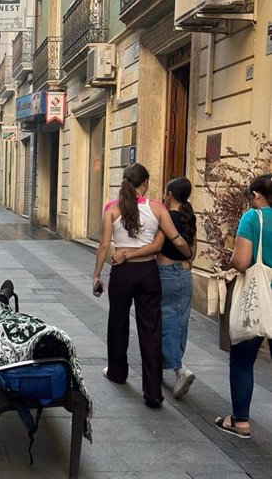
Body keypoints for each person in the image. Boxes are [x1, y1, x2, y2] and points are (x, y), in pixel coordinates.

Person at [92, 163, 191, 408]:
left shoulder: (112, 210)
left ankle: (117, 372)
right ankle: (153, 392)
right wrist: (187, 251)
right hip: (148, 272)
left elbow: (104, 246)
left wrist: (96, 276)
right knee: (151, 330)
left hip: (122, 273)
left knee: (118, 322)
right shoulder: (157, 208)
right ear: (144, 183)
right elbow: (174, 238)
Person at [114, 177, 198, 399]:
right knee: (180, 322)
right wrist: (189, 257)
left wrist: (127, 254)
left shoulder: (165, 216)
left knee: (163, 322)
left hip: (166, 274)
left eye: (165, 192)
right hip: (185, 273)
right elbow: (192, 248)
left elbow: (158, 245)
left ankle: (179, 369)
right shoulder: (190, 216)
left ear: (170, 194)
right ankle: (163, 368)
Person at [215, 174, 272, 439]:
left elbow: (242, 261)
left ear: (257, 195)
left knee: (242, 360)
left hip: (258, 298)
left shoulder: (253, 218)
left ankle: (240, 422)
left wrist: (229, 261)